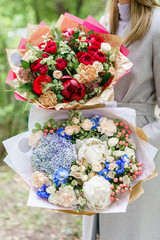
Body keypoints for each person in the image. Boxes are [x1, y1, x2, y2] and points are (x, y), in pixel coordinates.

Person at [82, 0, 160, 239]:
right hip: (93, 144)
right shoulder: (102, 25)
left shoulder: (157, 24)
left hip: (140, 147)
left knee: (132, 233)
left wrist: (140, 142)